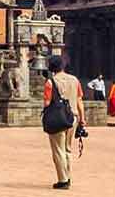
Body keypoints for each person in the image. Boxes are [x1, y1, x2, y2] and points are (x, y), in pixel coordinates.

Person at [43, 55, 86, 190]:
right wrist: (82, 119)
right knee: (67, 149)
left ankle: (63, 180)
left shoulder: (51, 82)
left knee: (58, 149)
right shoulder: (75, 80)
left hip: (58, 118)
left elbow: (47, 103)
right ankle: (68, 176)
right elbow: (79, 101)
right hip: (73, 118)